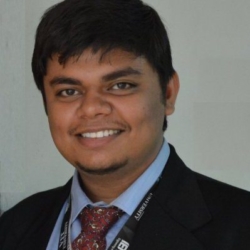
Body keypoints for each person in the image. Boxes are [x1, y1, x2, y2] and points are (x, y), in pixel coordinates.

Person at [1, 0, 250, 249]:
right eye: (69, 91)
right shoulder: (12, 227)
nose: (91, 108)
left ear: (168, 93)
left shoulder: (241, 227)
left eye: (120, 85)